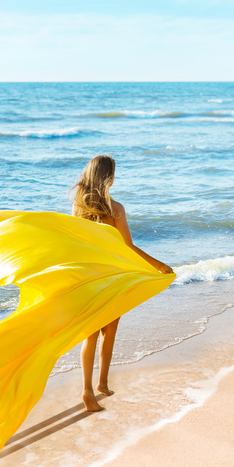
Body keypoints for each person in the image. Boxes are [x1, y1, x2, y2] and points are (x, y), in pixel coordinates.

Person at [71, 155, 173, 411]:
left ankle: (87, 390)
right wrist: (159, 265)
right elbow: (128, 247)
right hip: (112, 278)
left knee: (90, 335)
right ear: (110, 178)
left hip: (88, 278)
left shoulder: (79, 208)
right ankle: (102, 384)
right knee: (109, 333)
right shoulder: (115, 209)